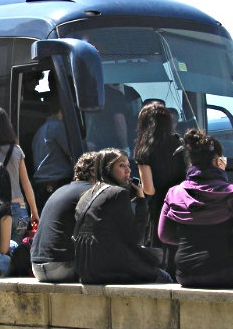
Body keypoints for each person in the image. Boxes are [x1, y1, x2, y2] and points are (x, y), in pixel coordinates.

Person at [159, 129, 233, 288]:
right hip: (225, 270)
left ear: (191, 163)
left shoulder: (174, 193)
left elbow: (164, 235)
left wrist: (195, 240)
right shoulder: (232, 193)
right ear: (218, 162)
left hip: (185, 274)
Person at [73, 148, 172, 284]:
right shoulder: (118, 193)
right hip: (109, 269)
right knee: (164, 276)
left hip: (85, 270)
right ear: (107, 169)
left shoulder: (85, 196)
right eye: (121, 166)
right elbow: (135, 237)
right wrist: (141, 201)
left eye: (128, 166)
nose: (128, 171)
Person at [133, 101, 187, 275]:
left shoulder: (144, 150)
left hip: (161, 206)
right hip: (182, 201)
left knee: (162, 250)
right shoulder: (179, 143)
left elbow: (149, 189)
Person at [0, 105, 39, 246]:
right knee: (17, 250)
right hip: (19, 208)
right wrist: (34, 212)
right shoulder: (16, 150)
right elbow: (26, 183)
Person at [30, 152, 97, 282]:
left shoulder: (61, 190)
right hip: (61, 267)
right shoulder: (91, 191)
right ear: (94, 171)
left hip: (36, 267)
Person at [31, 98, 73, 214]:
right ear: (61, 110)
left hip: (41, 183)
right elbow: (71, 152)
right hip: (57, 181)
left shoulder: (40, 130)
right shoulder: (58, 126)